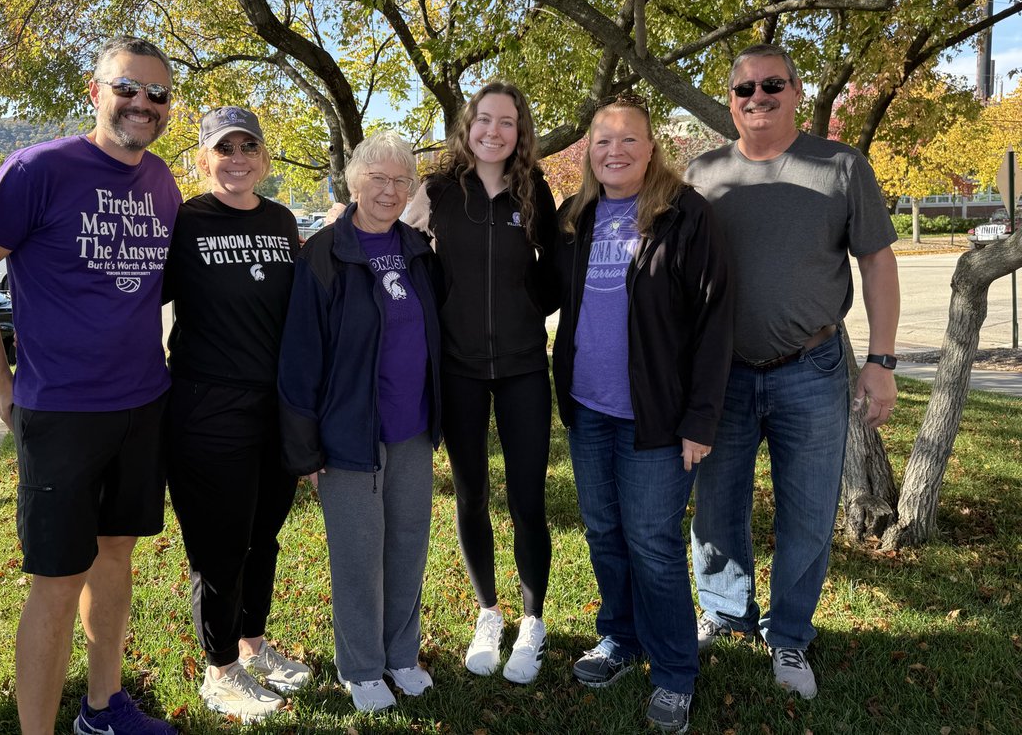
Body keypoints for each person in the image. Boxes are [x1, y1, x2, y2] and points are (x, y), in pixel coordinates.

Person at [0, 37, 183, 735]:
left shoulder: (162, 181)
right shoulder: (36, 169)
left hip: (144, 401)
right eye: (128, 87)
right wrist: (2, 379)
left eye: (158, 94)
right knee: (55, 581)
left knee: (116, 554)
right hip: (62, 412)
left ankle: (103, 707)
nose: (142, 103)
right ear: (95, 90)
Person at [687, 43, 900, 700]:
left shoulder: (841, 166)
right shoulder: (702, 174)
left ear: (797, 92)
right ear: (731, 101)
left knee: (807, 513)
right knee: (715, 508)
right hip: (721, 375)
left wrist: (882, 361)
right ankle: (726, 611)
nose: (758, 97)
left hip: (811, 366)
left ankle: (789, 635)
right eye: (744, 89)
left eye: (771, 85)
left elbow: (877, 263)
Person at [551, 95, 732, 734]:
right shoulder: (575, 215)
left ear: (651, 148)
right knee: (604, 531)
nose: (616, 151)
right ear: (589, 152)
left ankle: (675, 672)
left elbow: (714, 321)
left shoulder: (685, 215)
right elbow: (536, 285)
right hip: (588, 408)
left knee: (653, 543)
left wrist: (699, 420)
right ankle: (621, 638)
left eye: (629, 139)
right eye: (603, 140)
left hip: (656, 416)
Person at [279, 133, 443, 713]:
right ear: (354, 182)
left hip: (412, 427)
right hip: (349, 433)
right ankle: (362, 666)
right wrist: (305, 449)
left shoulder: (418, 250)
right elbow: (300, 357)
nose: (390, 191)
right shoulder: (325, 253)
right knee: (357, 555)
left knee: (408, 545)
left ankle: (401, 654)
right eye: (378, 179)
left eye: (402, 181)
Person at [402, 81, 558, 685]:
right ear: (468, 127)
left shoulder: (534, 189)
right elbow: (401, 251)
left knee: (527, 499)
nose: (494, 131)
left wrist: (526, 308)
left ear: (521, 133)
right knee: (471, 495)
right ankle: (488, 613)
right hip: (458, 367)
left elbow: (553, 273)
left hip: (523, 367)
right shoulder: (438, 190)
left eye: (507, 122)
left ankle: (533, 622)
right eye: (484, 120)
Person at [162, 107, 310, 722]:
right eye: (225, 149)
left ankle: (253, 644)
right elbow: (134, 298)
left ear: (264, 157)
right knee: (219, 545)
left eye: (249, 146)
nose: (238, 158)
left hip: (274, 408)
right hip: (207, 407)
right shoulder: (184, 221)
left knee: (263, 536)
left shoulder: (280, 221)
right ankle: (219, 670)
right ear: (204, 159)